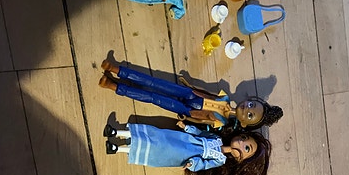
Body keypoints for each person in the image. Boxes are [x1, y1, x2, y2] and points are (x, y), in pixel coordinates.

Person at [103, 123, 271, 175]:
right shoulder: (217, 138)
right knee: (158, 136)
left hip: (186, 153)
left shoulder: (220, 160)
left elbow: (204, 165)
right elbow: (201, 133)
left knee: (158, 151)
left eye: (246, 148)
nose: (241, 143)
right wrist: (188, 128)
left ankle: (117, 148)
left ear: (242, 162)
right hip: (185, 140)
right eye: (244, 139)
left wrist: (193, 163)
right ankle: (117, 132)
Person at [99, 60, 283, 130]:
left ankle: (114, 87)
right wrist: (190, 85)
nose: (246, 109)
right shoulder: (225, 97)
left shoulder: (221, 122)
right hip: (190, 94)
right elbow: (207, 93)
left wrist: (186, 119)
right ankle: (117, 70)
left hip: (186, 109)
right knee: (155, 83)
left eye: (249, 115)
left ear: (244, 123)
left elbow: (202, 121)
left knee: (153, 97)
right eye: (251, 105)